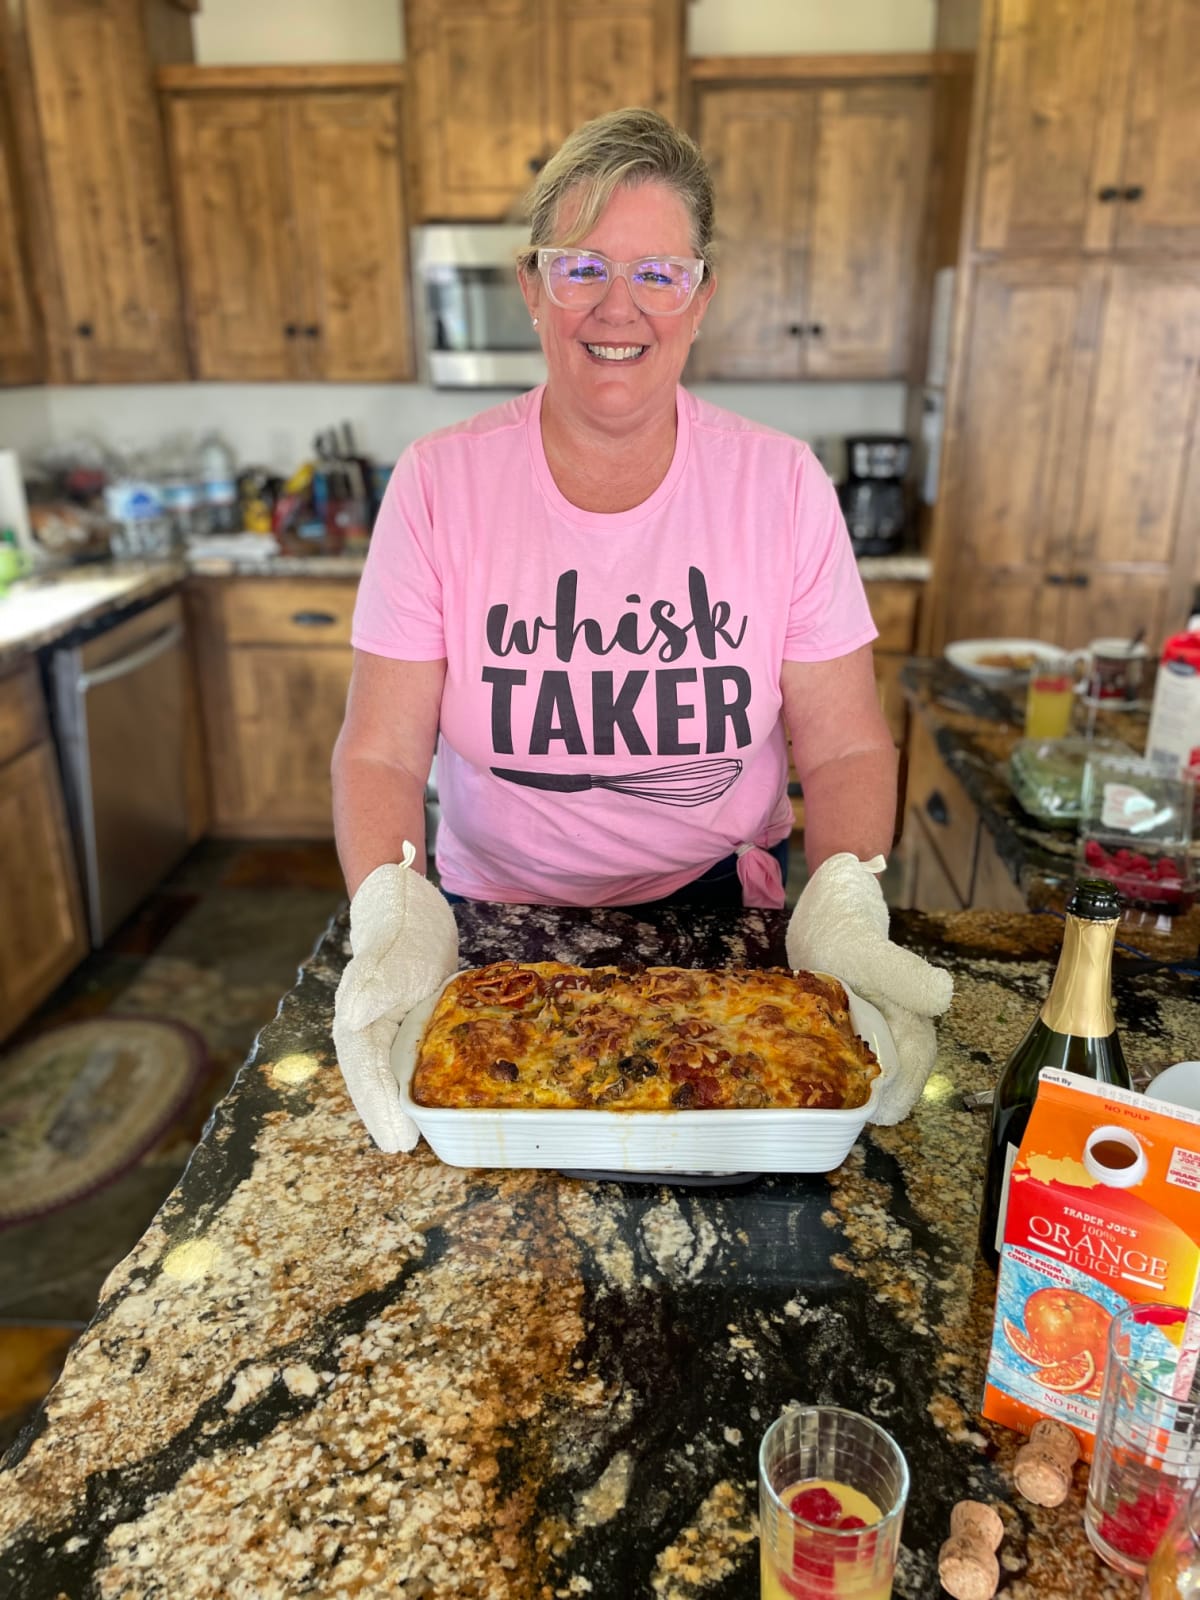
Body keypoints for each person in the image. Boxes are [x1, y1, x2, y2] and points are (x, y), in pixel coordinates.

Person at [331, 108, 952, 1152]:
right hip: (488, 933)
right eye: (581, 268)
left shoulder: (781, 485)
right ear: (531, 284)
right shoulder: (440, 486)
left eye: (659, 273)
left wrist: (844, 898)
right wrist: (395, 918)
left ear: (699, 299)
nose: (618, 307)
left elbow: (844, 740)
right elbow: (381, 747)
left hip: (726, 928)